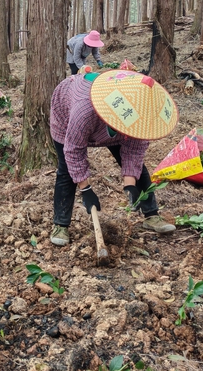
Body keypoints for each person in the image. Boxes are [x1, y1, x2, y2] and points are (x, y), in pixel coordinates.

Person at [49, 69, 179, 247]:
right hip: (67, 115)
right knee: (66, 171)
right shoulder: (84, 110)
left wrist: (130, 185)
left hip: (110, 124)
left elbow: (135, 151)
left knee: (139, 169)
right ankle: (60, 224)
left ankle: (151, 215)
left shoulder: (140, 115)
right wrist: (86, 190)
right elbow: (73, 151)